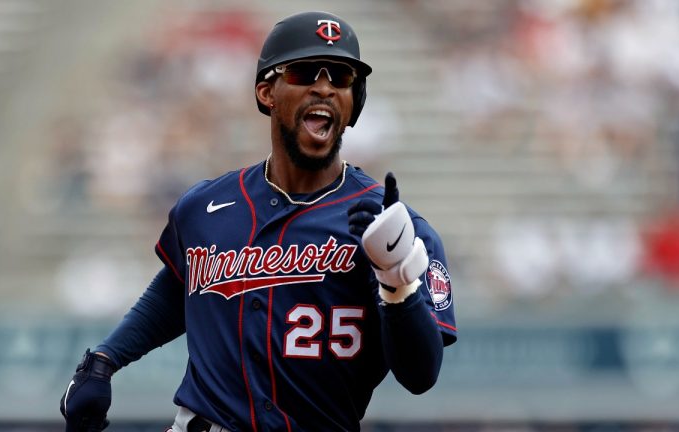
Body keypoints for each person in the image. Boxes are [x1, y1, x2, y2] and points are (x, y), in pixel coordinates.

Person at [60, 10, 457, 432]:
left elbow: (421, 376)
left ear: (353, 100)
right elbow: (182, 282)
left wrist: (395, 280)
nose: (323, 87)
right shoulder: (207, 205)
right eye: (305, 72)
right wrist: (105, 360)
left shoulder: (393, 227)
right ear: (267, 92)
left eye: (341, 78)